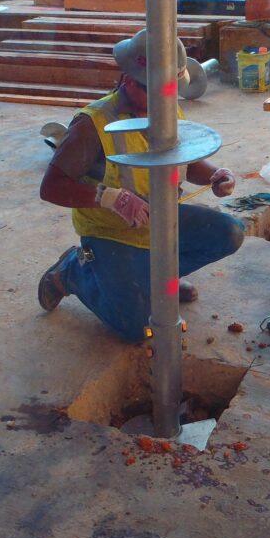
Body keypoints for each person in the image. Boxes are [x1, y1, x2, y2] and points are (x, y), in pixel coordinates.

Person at [38, 29, 245, 342]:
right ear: (130, 80)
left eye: (170, 92)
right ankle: (73, 273)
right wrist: (111, 199)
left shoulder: (166, 108)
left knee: (229, 233)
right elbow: (51, 187)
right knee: (137, 328)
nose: (165, 101)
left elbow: (183, 161)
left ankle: (156, 282)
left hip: (160, 220)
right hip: (112, 233)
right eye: (156, 92)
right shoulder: (93, 124)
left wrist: (215, 175)